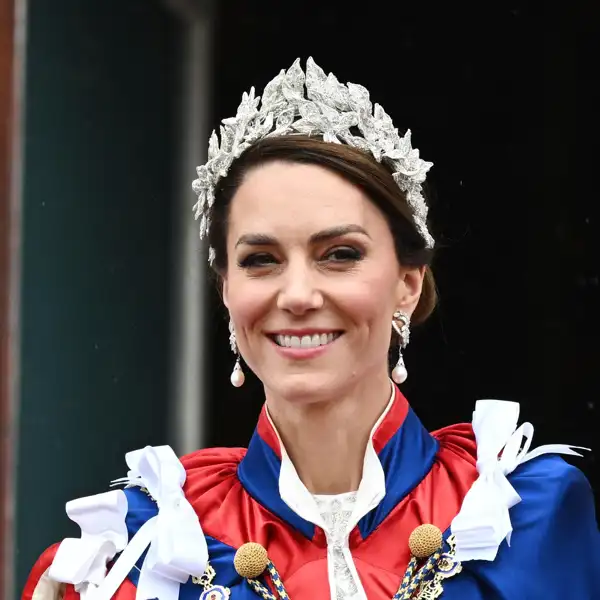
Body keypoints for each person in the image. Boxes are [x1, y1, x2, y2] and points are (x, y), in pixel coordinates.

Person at [23, 58, 599, 600]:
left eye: (340, 253)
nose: (297, 295)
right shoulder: (135, 550)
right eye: (260, 260)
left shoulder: (520, 513)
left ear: (408, 283)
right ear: (226, 290)